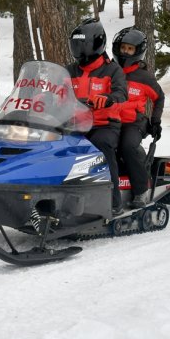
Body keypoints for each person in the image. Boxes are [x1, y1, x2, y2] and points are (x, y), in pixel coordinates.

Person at [66, 19, 127, 215]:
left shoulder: (112, 69)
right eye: (76, 45)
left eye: (82, 45)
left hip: (104, 124)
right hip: (75, 124)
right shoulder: (70, 70)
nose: (79, 50)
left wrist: (107, 99)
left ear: (96, 43)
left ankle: (113, 200)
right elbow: (55, 89)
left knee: (102, 146)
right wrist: (42, 96)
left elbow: (121, 93)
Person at [112, 27, 165, 209]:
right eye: (123, 48)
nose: (125, 52)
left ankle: (141, 189)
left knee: (127, 145)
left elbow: (159, 97)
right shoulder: (110, 71)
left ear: (138, 52)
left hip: (134, 122)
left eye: (130, 49)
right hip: (110, 120)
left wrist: (155, 120)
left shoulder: (144, 77)